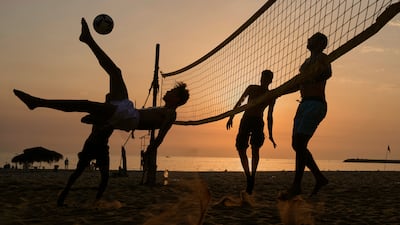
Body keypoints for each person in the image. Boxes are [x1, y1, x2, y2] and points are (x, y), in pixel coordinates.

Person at [14, 17, 189, 203]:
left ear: (177, 98)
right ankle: (87, 39)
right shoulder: (164, 109)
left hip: (129, 118)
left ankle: (38, 102)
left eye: (171, 91)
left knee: (86, 103)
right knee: (115, 71)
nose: (168, 91)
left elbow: (161, 136)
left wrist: (149, 152)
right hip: (129, 111)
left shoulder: (171, 113)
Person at [283, 32, 332, 198]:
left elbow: (327, 74)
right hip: (303, 104)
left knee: (300, 142)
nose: (308, 39)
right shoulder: (305, 64)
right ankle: (319, 178)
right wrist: (278, 93)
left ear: (320, 43)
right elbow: (299, 84)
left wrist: (313, 77)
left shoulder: (323, 58)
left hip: (316, 104)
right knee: (297, 145)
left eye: (312, 38)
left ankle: (297, 186)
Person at [57, 94, 114, 207]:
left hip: (102, 147)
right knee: (78, 172)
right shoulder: (100, 111)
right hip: (91, 145)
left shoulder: (116, 115)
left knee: (105, 176)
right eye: (109, 101)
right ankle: (63, 195)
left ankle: (97, 201)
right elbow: (84, 119)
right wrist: (96, 121)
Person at [226, 70, 277, 195]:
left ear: (270, 80)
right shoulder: (252, 88)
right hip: (246, 119)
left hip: (257, 121)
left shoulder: (271, 95)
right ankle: (248, 176)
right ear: (260, 78)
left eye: (266, 78)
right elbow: (240, 101)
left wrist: (270, 135)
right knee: (241, 148)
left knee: (255, 149)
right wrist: (231, 116)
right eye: (263, 77)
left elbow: (270, 116)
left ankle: (252, 176)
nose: (263, 79)